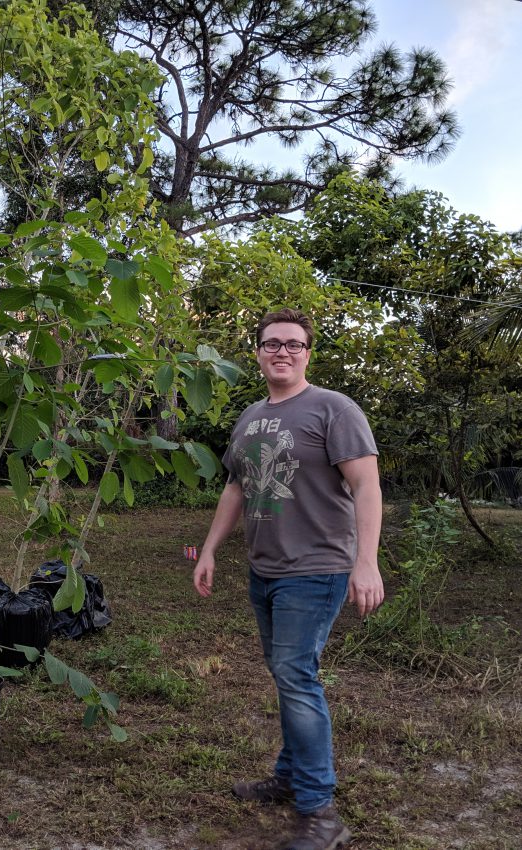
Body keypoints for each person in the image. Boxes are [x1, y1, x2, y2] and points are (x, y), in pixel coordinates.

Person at [193, 308, 383, 850]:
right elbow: (236, 487)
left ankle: (320, 812)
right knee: (287, 676)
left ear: (307, 353)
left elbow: (366, 487)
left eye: (294, 344)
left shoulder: (333, 409)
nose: (283, 351)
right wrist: (208, 550)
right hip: (265, 569)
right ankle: (290, 775)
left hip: (317, 567)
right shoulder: (251, 416)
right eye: (272, 343)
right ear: (257, 352)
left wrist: (365, 563)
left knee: (296, 676)